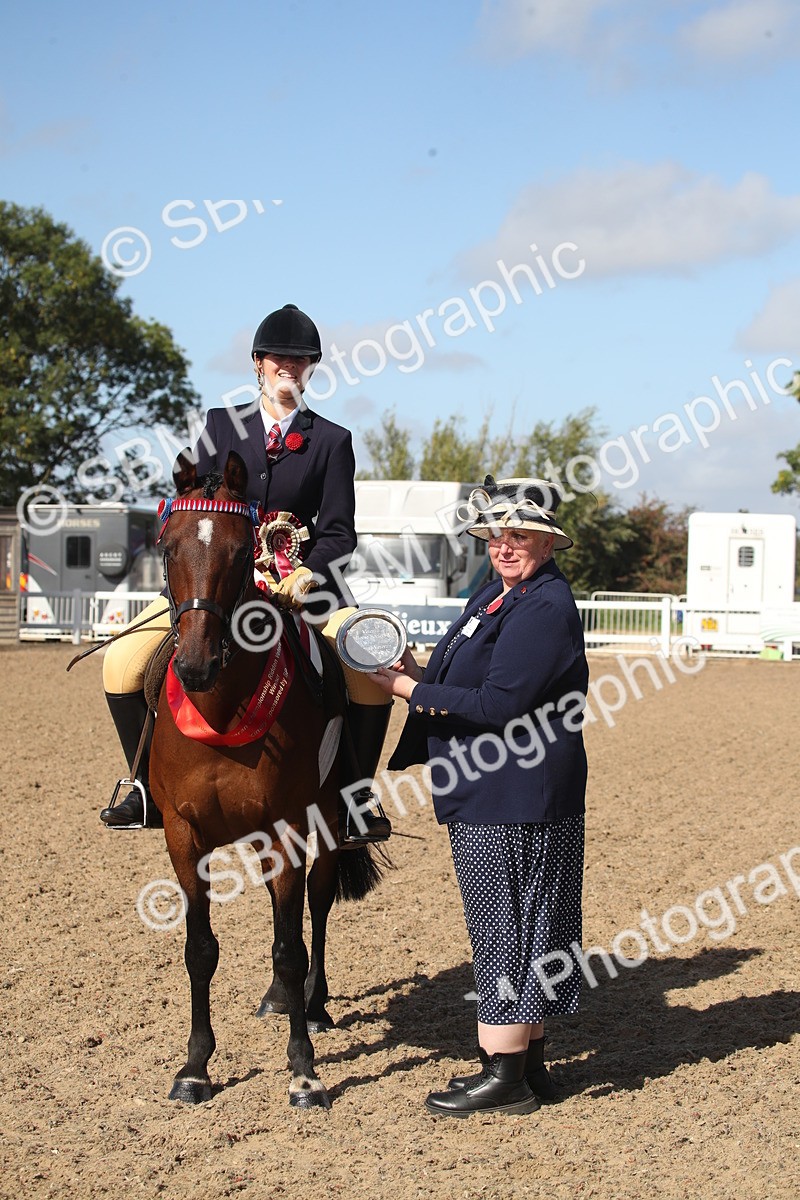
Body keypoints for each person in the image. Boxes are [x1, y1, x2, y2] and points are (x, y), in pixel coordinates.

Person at [100, 304, 392, 843]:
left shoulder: (331, 440)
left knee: (369, 677)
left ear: (312, 368)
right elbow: (196, 506)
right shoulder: (220, 425)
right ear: (258, 363)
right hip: (216, 586)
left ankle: (355, 801)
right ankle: (143, 788)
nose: (289, 365)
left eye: (300, 359)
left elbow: (339, 532)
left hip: (303, 591)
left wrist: (307, 573)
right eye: (279, 357)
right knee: (120, 662)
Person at [370, 475, 588, 1117]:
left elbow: (500, 703)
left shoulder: (543, 606)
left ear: (547, 544)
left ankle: (505, 1073)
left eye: (520, 535)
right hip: (498, 790)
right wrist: (414, 670)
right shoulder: (496, 596)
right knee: (529, 928)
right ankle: (531, 1065)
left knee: (508, 933)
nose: (504, 546)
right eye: (496, 536)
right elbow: (461, 673)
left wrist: (410, 694)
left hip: (515, 792)